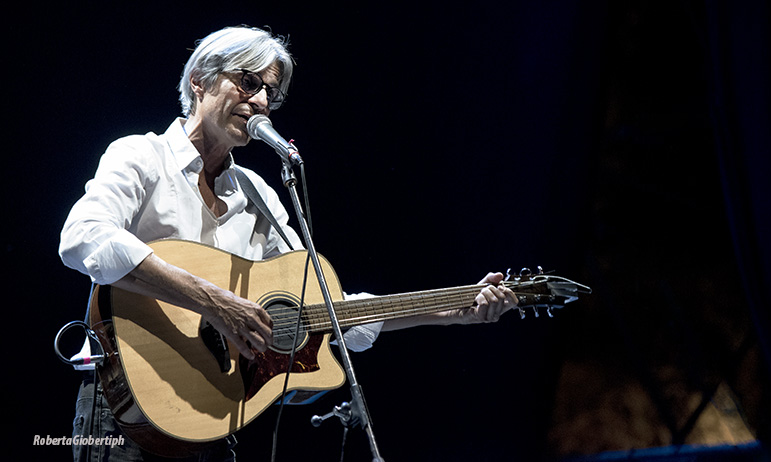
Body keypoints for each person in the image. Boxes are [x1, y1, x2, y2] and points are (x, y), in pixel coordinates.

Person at [59, 25, 518, 462]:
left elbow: (321, 306)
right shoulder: (140, 154)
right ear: (199, 81)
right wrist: (215, 301)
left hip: (214, 417)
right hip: (124, 407)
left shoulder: (257, 194)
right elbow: (83, 237)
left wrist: (447, 313)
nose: (260, 101)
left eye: (270, 94)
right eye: (247, 82)